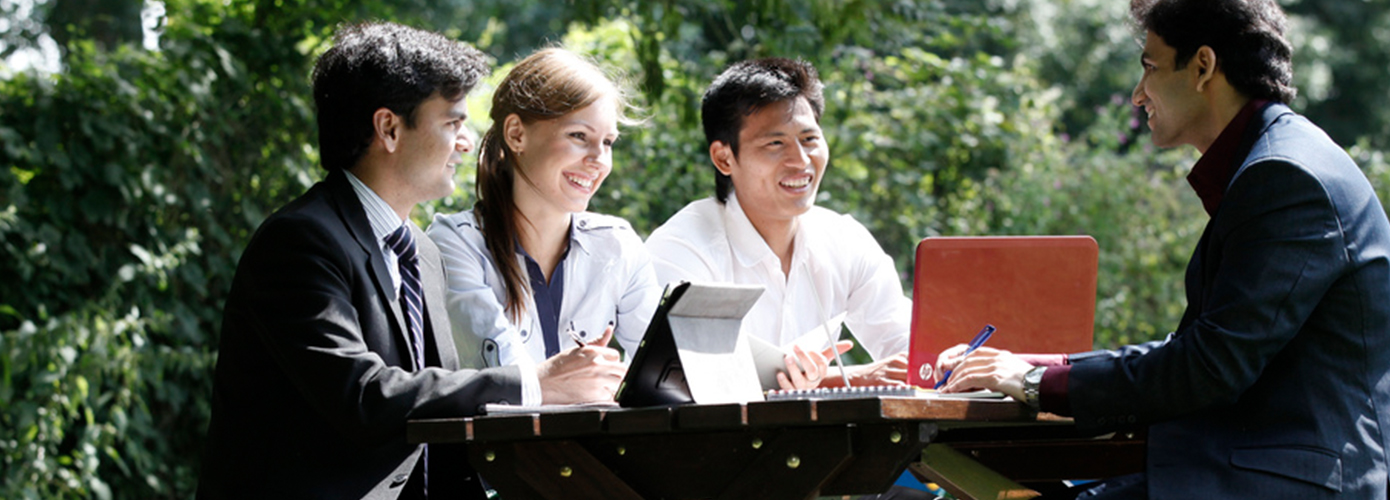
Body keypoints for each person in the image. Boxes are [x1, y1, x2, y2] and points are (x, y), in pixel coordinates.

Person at [936, 1, 1390, 498]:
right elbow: (1201, 349)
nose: (1137, 94)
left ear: (1203, 66)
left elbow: (1210, 366)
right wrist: (1036, 367)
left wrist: (1036, 382)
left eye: (1149, 67)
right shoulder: (1274, 163)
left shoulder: (1286, 175)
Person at [198, 22, 624, 499]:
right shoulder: (299, 243)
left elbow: (438, 426)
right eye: (452, 124)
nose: (466, 143)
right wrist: (537, 384)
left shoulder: (420, 250)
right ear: (390, 128)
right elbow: (364, 399)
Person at [645, 58, 910, 389]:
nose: (800, 160)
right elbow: (689, 382)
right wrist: (848, 379)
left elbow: (910, 349)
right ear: (724, 158)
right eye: (775, 143)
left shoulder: (844, 240)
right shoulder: (682, 247)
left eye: (809, 139)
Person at [428, 48, 659, 370]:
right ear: (516, 134)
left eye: (608, 142)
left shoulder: (618, 245)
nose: (599, 160)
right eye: (579, 136)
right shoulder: (455, 244)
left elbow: (666, 371)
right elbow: (506, 376)